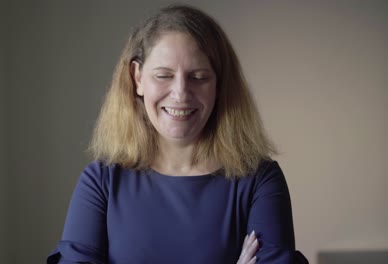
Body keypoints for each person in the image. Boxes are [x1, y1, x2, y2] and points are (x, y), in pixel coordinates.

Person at [48, 5, 307, 264]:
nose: (181, 93)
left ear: (219, 84)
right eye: (164, 75)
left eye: (198, 77)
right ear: (137, 78)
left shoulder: (260, 180)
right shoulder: (100, 182)